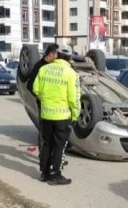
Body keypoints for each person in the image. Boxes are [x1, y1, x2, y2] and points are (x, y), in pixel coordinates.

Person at [33, 45, 81, 185]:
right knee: (60, 145)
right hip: (62, 116)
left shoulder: (44, 69)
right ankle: (56, 174)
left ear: (56, 55)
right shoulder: (71, 73)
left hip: (46, 114)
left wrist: (47, 102)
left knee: (47, 144)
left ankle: (45, 173)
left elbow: (36, 89)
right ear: (69, 58)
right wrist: (75, 114)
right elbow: (74, 97)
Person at [26, 43, 59, 169]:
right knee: (44, 133)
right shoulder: (39, 66)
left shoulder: (54, 66)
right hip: (44, 106)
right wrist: (40, 97)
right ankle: (43, 158)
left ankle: (55, 158)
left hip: (56, 106)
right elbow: (30, 85)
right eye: (56, 54)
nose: (57, 56)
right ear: (51, 54)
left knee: (55, 133)